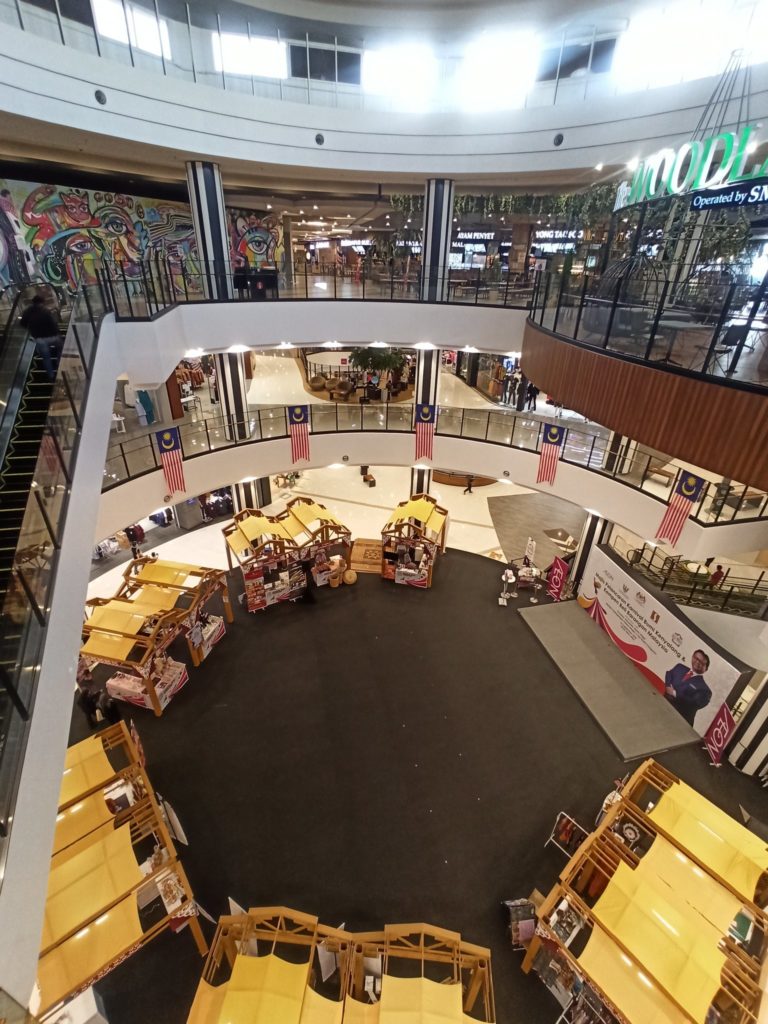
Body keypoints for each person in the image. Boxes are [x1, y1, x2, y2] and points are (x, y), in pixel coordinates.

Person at [664, 649, 713, 726]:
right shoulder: (679, 667)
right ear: (692, 657)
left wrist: (674, 693)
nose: (697, 662)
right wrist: (667, 685)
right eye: (696, 658)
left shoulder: (705, 690)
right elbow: (669, 674)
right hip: (663, 707)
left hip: (680, 722)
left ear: (706, 669)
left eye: (702, 662)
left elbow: (693, 703)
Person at [20, 294, 62, 380]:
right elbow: (52, 323)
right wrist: (57, 333)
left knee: (46, 358)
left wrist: (31, 330)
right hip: (52, 337)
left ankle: (51, 376)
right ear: (42, 302)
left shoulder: (28, 311)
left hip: (39, 339)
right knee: (61, 346)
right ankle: (58, 362)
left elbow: (22, 323)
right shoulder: (45, 310)